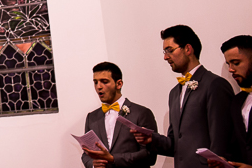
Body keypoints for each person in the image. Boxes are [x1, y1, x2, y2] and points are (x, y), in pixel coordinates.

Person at [133, 25, 245, 167]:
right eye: (164, 51)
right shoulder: (174, 93)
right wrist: (151, 139)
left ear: (187, 49)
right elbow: (175, 143)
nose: (165, 57)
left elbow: (221, 140)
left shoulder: (215, 84)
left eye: (170, 50)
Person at [79, 61, 156, 167]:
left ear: (119, 84)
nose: (98, 87)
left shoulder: (142, 113)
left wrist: (113, 159)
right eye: (95, 82)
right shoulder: (91, 117)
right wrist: (92, 164)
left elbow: (149, 156)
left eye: (104, 81)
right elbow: (86, 154)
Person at [209, 36, 252, 168]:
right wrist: (225, 161)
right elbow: (238, 145)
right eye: (228, 64)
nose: (231, 69)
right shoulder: (237, 101)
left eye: (236, 63)